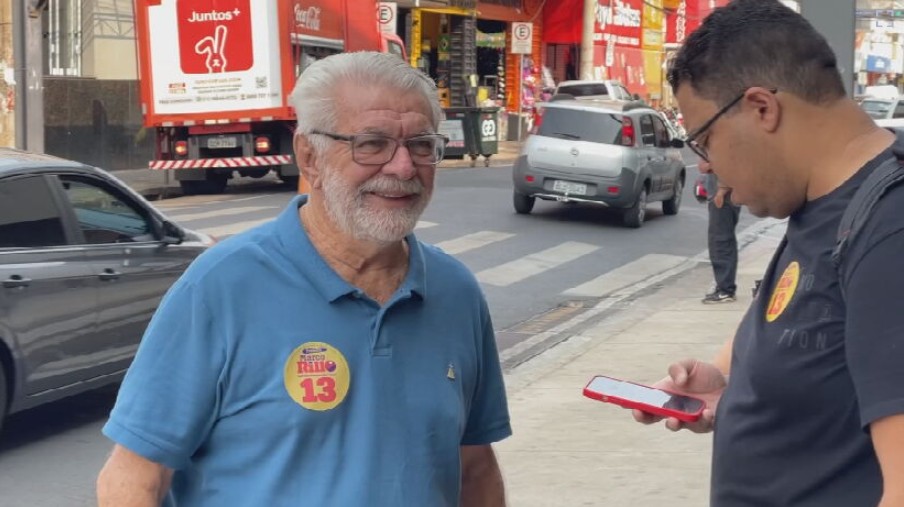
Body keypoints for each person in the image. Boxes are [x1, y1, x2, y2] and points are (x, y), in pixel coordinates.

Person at [96, 52, 512, 506]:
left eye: (421, 145)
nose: (403, 167)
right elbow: (134, 479)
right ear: (309, 156)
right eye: (372, 144)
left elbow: (474, 467)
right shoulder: (223, 288)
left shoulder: (455, 294)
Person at [632, 1, 904, 506]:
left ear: (762, 108)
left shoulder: (891, 231)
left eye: (704, 140)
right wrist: (731, 385)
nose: (706, 167)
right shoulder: (821, 204)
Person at [699, 164, 741, 304]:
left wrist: (722, 190)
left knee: (720, 240)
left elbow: (726, 160)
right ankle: (724, 286)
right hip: (721, 193)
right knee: (721, 239)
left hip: (723, 195)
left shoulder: (722, 143)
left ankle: (725, 289)